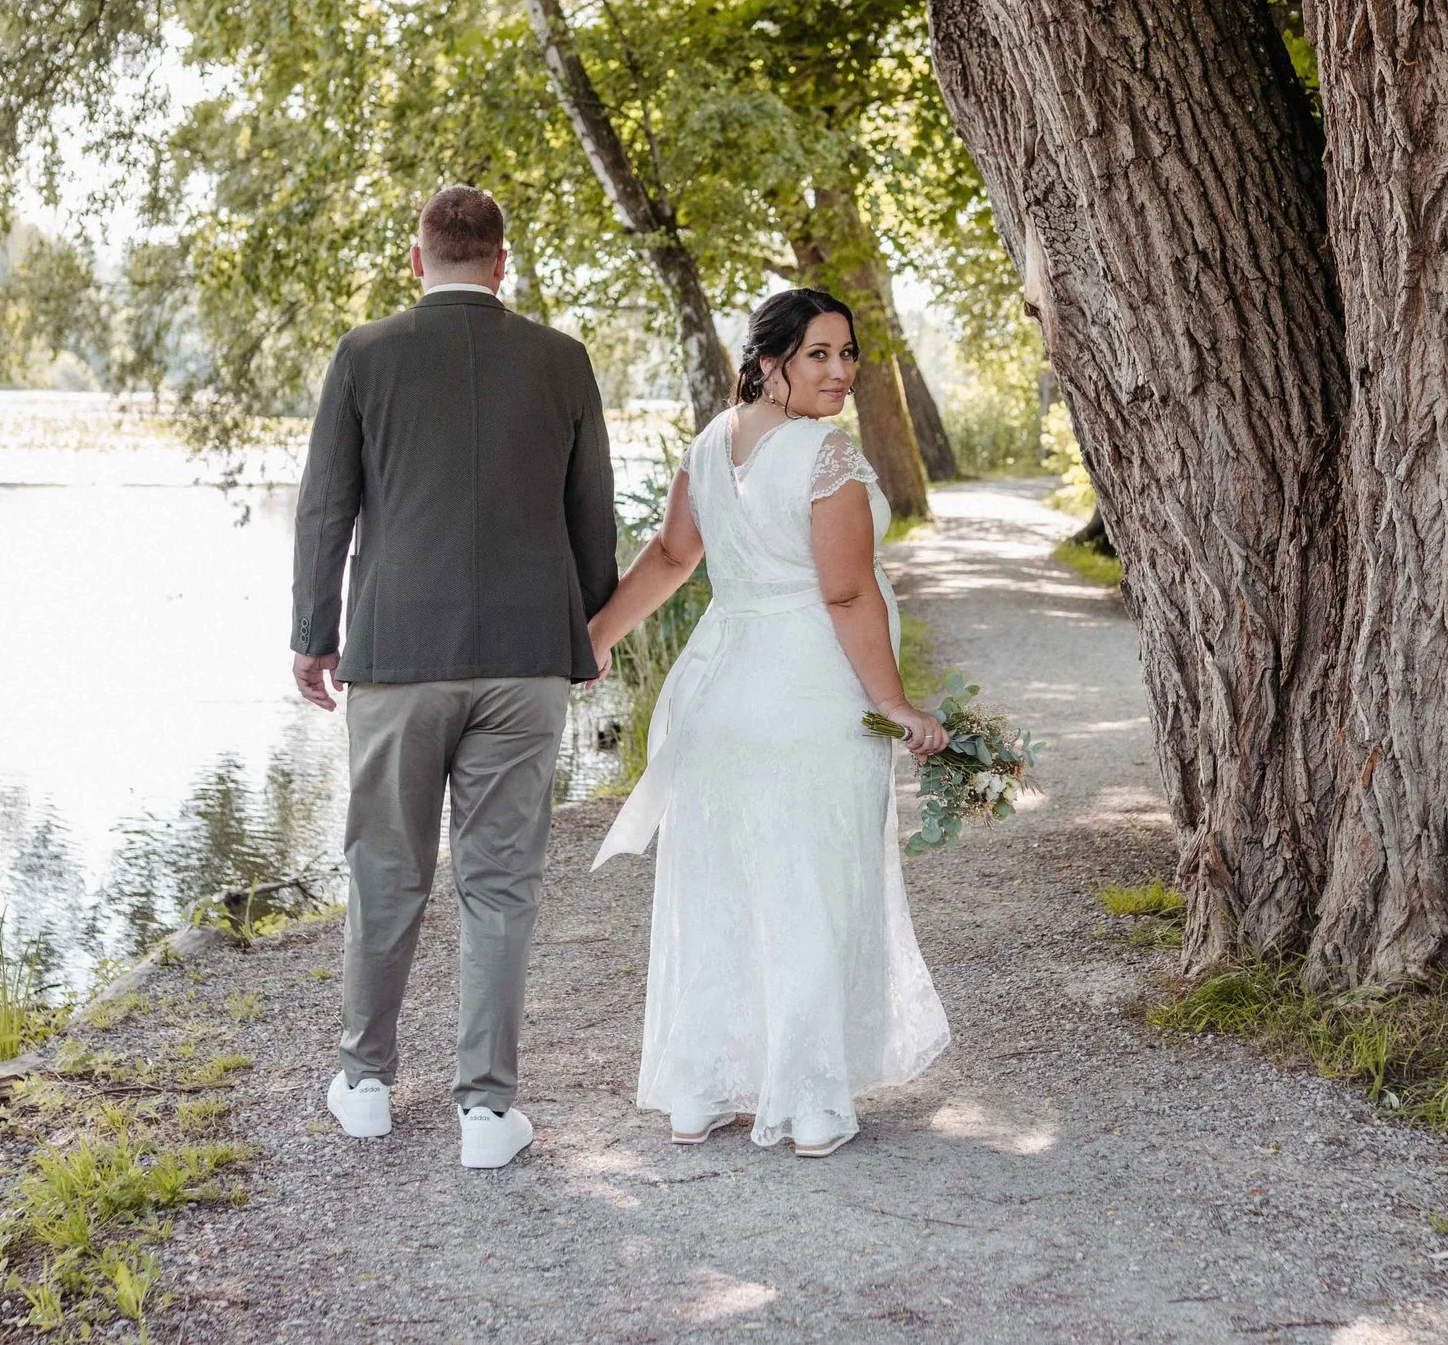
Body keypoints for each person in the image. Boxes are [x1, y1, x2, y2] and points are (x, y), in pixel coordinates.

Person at [289, 184, 617, 1170]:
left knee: (386, 872)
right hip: (526, 662)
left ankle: (365, 1083)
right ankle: (486, 1111)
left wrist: (313, 634)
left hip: (398, 658)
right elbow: (590, 516)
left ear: (417, 259)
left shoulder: (364, 355)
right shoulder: (562, 361)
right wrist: (589, 632)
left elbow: (325, 511)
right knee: (500, 884)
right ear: (502, 262)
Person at [586, 288, 951, 1157]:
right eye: (817, 354)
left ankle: (702, 1091)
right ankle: (813, 1103)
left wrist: (599, 636)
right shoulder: (823, 455)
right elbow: (846, 590)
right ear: (768, 360)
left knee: (726, 888)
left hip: (719, 697)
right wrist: (894, 704)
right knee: (809, 891)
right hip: (808, 696)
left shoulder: (711, 444)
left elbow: (675, 556)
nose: (840, 372)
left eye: (848, 354)